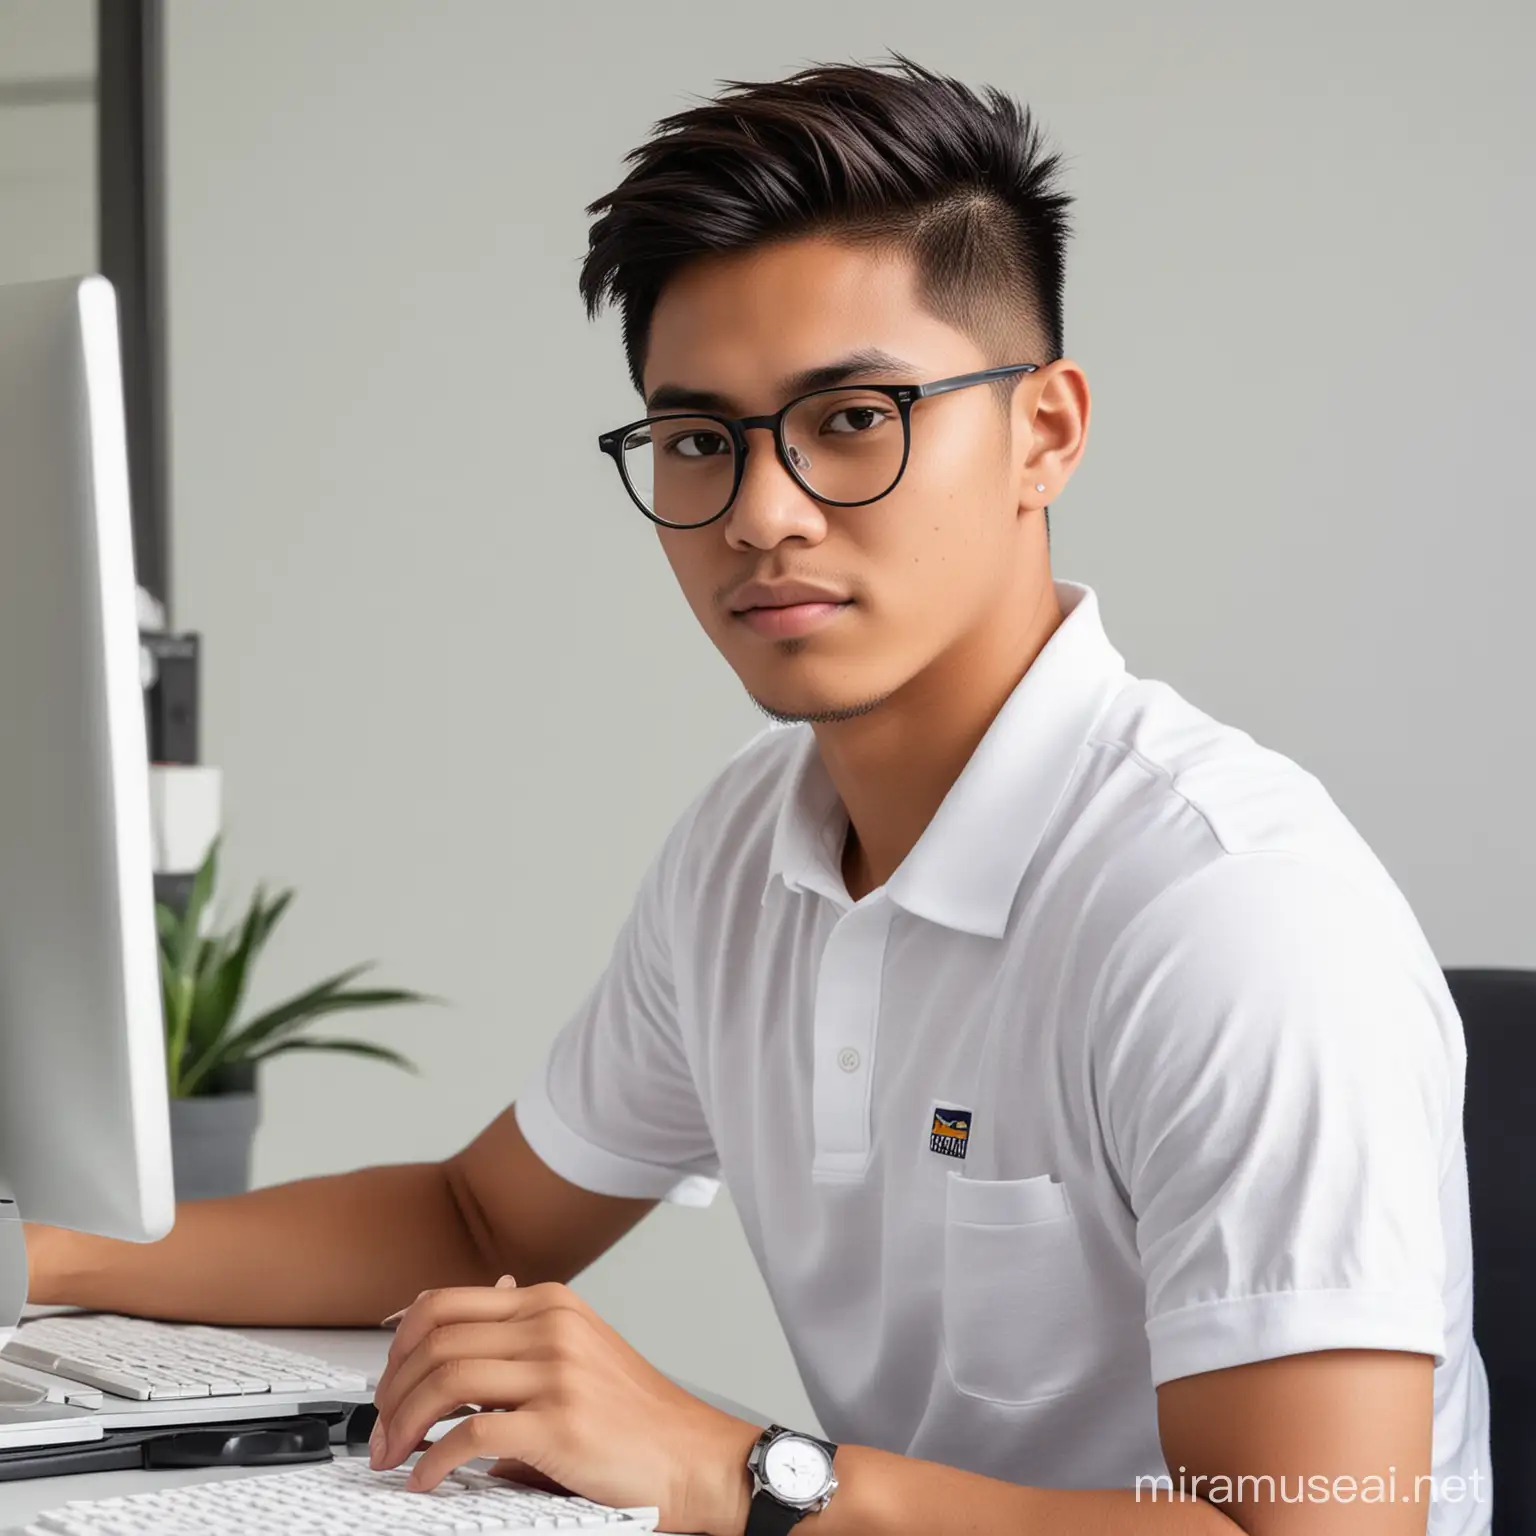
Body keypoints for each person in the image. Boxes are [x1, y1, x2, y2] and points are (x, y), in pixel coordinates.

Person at [26, 52, 1490, 1536]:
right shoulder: (753, 840)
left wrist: (741, 1472)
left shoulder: (1231, 911)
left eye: (853, 418)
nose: (760, 512)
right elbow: (479, 1218)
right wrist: (41, 1255)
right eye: (698, 440)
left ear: (1044, 431)